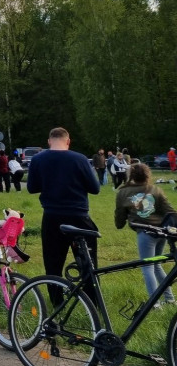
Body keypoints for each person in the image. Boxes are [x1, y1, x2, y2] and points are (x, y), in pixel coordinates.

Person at [27, 127, 101, 278]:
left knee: (53, 264)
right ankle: (92, 299)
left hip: (52, 216)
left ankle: (56, 300)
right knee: (88, 263)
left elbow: (32, 188)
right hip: (78, 215)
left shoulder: (37, 159)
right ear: (68, 141)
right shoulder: (80, 159)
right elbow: (95, 188)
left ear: (49, 141)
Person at [114, 162, 177, 305]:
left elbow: (119, 216)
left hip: (145, 232)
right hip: (161, 232)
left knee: (147, 267)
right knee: (157, 265)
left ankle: (154, 304)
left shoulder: (123, 192)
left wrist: (120, 224)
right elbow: (170, 212)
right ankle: (170, 299)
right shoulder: (156, 190)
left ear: (130, 175)